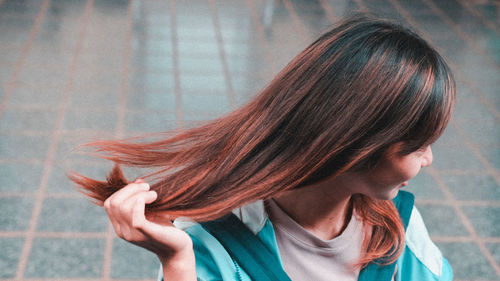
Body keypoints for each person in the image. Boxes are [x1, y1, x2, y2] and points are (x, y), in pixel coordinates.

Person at [70, 15, 455, 281]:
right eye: (418, 146)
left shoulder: (399, 228)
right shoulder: (210, 242)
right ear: (357, 141)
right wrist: (176, 261)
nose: (429, 159)